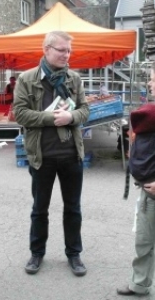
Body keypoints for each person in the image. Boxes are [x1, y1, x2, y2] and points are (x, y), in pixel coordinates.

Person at [13, 31, 89, 276]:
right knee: (39, 209)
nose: (66, 55)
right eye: (61, 50)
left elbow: (85, 110)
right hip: (41, 156)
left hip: (70, 154)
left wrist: (71, 117)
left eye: (68, 50)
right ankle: (37, 253)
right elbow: (21, 114)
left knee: (73, 208)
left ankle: (74, 254)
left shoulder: (74, 79)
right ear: (46, 49)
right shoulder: (26, 79)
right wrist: (51, 118)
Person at [117, 61, 155, 296]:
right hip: (148, 190)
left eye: (153, 78)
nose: (150, 83)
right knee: (144, 240)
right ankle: (139, 284)